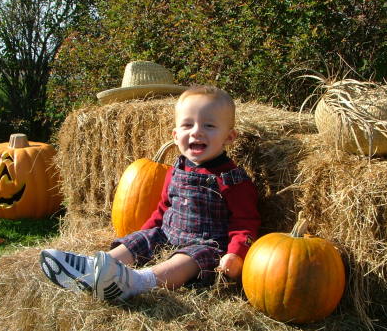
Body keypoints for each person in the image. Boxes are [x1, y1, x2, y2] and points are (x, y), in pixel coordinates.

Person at [40, 85, 261, 302]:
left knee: (191, 259)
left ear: (230, 137)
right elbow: (164, 207)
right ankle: (93, 268)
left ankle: (138, 282)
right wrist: (143, 235)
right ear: (175, 135)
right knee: (142, 239)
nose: (196, 131)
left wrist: (236, 253)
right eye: (187, 125)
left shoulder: (232, 179)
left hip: (207, 244)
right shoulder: (176, 169)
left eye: (209, 125)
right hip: (167, 234)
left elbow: (244, 222)